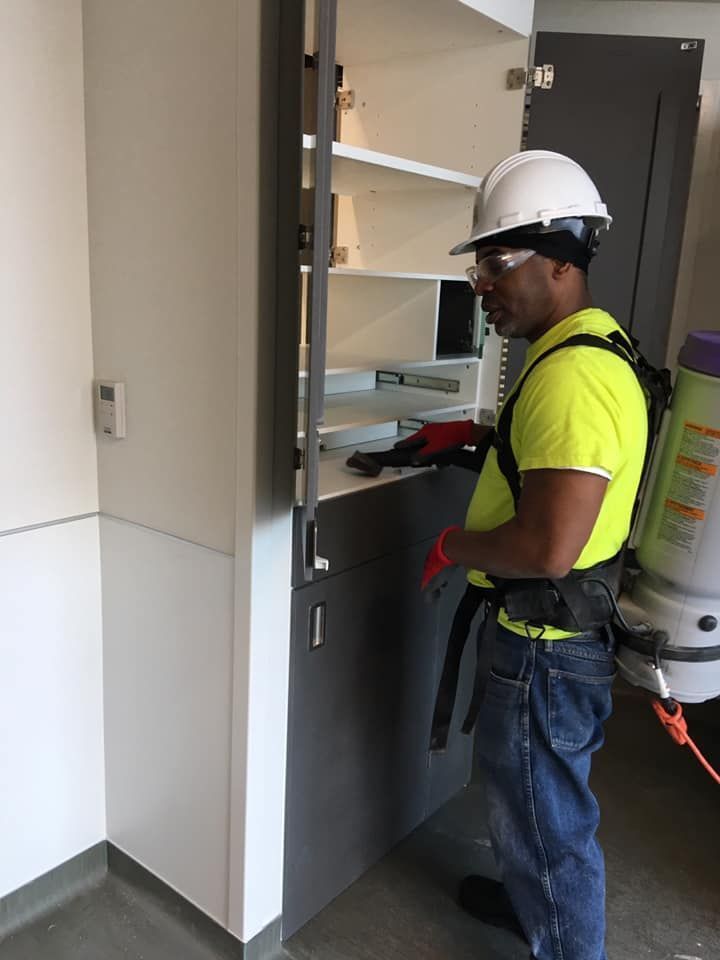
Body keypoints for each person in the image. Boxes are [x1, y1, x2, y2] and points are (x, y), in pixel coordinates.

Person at [409, 151, 648, 960]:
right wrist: (474, 438)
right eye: (479, 264)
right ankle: (532, 904)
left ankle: (563, 939)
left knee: (547, 819)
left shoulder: (571, 377)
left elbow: (548, 547)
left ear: (561, 260)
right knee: (530, 802)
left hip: (546, 645)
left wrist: (451, 544)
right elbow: (548, 468)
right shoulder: (587, 344)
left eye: (497, 263)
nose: (481, 284)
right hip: (559, 637)